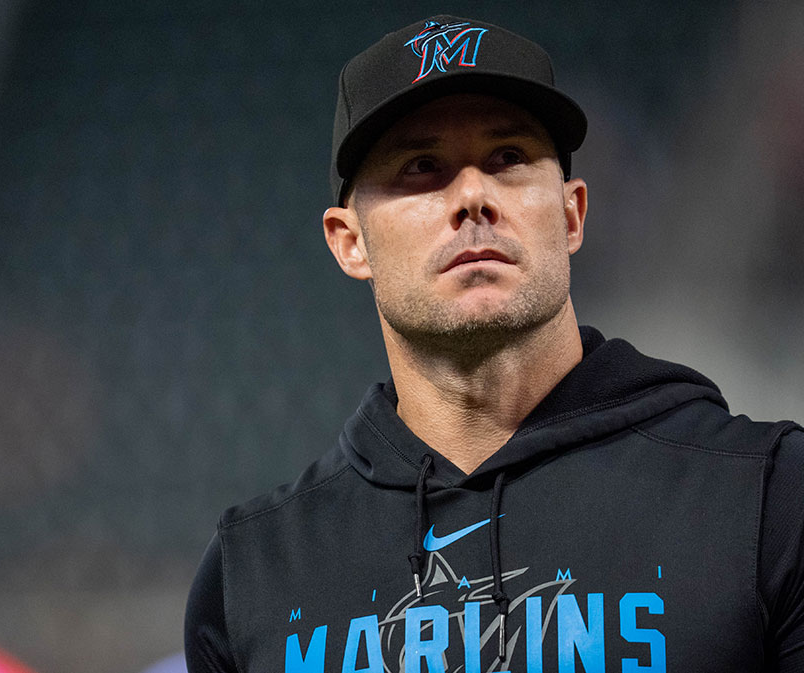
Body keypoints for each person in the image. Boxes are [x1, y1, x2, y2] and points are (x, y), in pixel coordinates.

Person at [183, 15, 804, 673]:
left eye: (508, 157)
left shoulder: (764, 498)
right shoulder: (255, 576)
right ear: (349, 240)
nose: (473, 195)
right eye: (422, 166)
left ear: (571, 213)